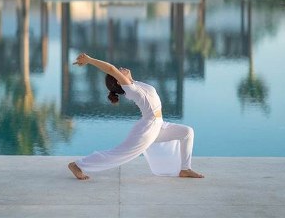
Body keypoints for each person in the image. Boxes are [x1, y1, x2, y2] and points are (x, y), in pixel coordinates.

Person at [68, 53, 204, 180]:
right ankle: (77, 165)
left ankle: (185, 169)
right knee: (118, 154)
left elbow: (118, 73)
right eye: (119, 71)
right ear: (119, 81)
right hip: (148, 129)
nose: (121, 68)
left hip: (159, 124)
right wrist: (90, 60)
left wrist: (128, 77)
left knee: (187, 132)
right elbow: (110, 69)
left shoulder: (135, 84)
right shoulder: (130, 89)